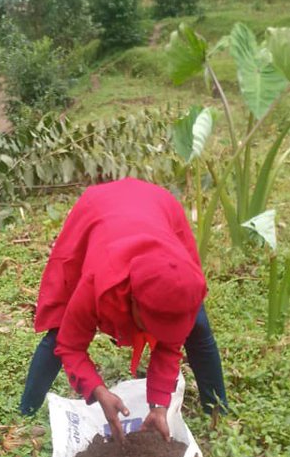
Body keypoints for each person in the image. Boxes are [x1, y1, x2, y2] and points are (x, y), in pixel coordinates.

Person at [20, 178, 227, 441]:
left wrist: (159, 407)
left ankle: (217, 409)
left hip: (158, 207)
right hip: (99, 211)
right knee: (60, 329)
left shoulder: (185, 281)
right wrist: (98, 390)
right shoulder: (97, 282)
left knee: (197, 326)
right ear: (132, 299)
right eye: (152, 321)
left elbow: (170, 346)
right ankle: (25, 411)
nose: (159, 332)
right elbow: (71, 346)